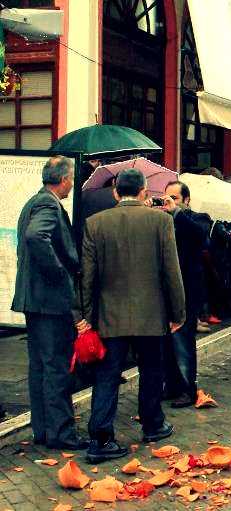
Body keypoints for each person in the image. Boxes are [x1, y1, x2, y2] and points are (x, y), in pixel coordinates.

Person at [81, 169, 185, 463]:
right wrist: (178, 312)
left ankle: (100, 439)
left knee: (107, 376)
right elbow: (171, 272)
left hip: (109, 316)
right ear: (143, 192)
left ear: (115, 192)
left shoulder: (95, 224)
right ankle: (153, 425)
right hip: (151, 315)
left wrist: (87, 317)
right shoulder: (161, 221)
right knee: (152, 370)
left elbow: (88, 277)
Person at [12, 156, 89, 450]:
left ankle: (44, 430)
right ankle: (61, 433)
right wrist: (60, 273)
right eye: (72, 179)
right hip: (50, 300)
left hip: (36, 300)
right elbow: (36, 237)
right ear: (65, 180)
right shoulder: (47, 205)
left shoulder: (34, 201)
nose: (73, 184)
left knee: (41, 367)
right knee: (56, 367)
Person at [162, 181, 209, 408]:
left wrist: (177, 213)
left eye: (176, 198)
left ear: (186, 200)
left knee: (182, 340)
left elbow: (201, 236)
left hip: (188, 290)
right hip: (165, 290)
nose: (170, 202)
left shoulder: (198, 218)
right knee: (166, 341)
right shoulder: (161, 220)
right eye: (167, 197)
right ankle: (171, 385)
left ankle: (187, 389)